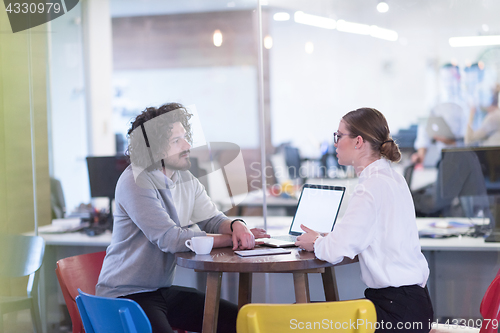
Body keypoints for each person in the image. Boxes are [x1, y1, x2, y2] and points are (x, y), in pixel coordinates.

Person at [96, 103, 268, 333]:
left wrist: (237, 226)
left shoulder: (184, 178)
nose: (188, 146)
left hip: (160, 291)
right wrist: (230, 240)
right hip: (125, 295)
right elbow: (170, 239)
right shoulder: (136, 181)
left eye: (185, 137)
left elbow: (213, 219)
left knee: (241, 322)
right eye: (177, 141)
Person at [296, 108, 433, 333]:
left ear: (358, 141)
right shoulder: (391, 177)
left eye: (339, 136)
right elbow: (362, 235)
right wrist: (328, 238)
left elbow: (334, 250)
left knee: (301, 320)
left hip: (396, 311)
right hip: (412, 304)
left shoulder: (371, 187)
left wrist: (317, 242)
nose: (335, 143)